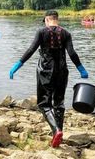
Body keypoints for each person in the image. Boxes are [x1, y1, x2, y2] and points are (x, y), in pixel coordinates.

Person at [9, 10, 88, 148]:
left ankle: (56, 131)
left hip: (45, 72)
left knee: (44, 104)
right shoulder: (66, 33)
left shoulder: (41, 32)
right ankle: (59, 134)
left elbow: (31, 50)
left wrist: (18, 65)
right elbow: (72, 53)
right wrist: (81, 68)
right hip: (62, 71)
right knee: (59, 103)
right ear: (57, 19)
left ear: (46, 19)